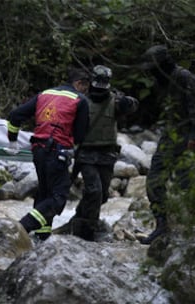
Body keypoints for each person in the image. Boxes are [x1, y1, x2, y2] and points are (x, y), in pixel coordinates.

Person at [55, 65, 139, 241]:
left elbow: (131, 107)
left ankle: (78, 220)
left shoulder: (115, 101)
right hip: (86, 154)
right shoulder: (81, 100)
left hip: (107, 155)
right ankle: (89, 228)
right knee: (94, 191)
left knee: (102, 196)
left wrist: (129, 103)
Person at [6, 67, 90, 241]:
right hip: (56, 152)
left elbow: (15, 115)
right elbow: (80, 136)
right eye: (85, 87)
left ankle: (42, 237)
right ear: (79, 83)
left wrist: (12, 141)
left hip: (38, 150)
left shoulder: (44, 94)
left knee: (45, 193)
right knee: (58, 197)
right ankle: (22, 227)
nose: (86, 92)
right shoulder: (79, 100)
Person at [138, 45, 195, 244]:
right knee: (154, 181)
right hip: (170, 136)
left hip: (188, 137)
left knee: (185, 184)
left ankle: (188, 230)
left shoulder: (185, 77)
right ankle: (162, 225)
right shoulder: (160, 81)